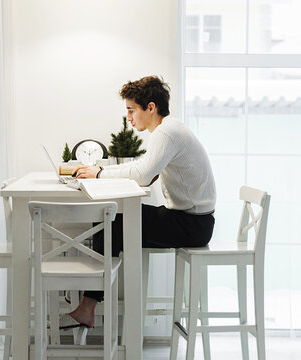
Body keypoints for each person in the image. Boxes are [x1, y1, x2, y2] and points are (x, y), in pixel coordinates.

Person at [62, 75, 216, 329]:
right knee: (111, 220)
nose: (129, 118)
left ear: (151, 107)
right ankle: (86, 298)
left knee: (110, 221)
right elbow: (146, 170)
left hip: (192, 225)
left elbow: (143, 175)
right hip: (191, 220)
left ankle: (86, 301)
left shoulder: (167, 132)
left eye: (131, 110)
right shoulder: (169, 129)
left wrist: (98, 172)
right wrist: (102, 171)